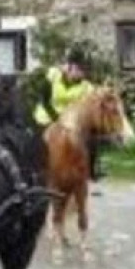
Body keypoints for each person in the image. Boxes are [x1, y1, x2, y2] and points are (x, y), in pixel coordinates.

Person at [34, 48, 104, 180]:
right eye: (78, 69)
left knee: (91, 137)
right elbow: (44, 99)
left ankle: (92, 168)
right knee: (40, 141)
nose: (80, 74)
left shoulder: (87, 87)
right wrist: (56, 118)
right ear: (69, 67)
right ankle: (38, 170)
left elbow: (87, 107)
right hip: (47, 114)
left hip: (71, 120)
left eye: (83, 71)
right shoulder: (53, 75)